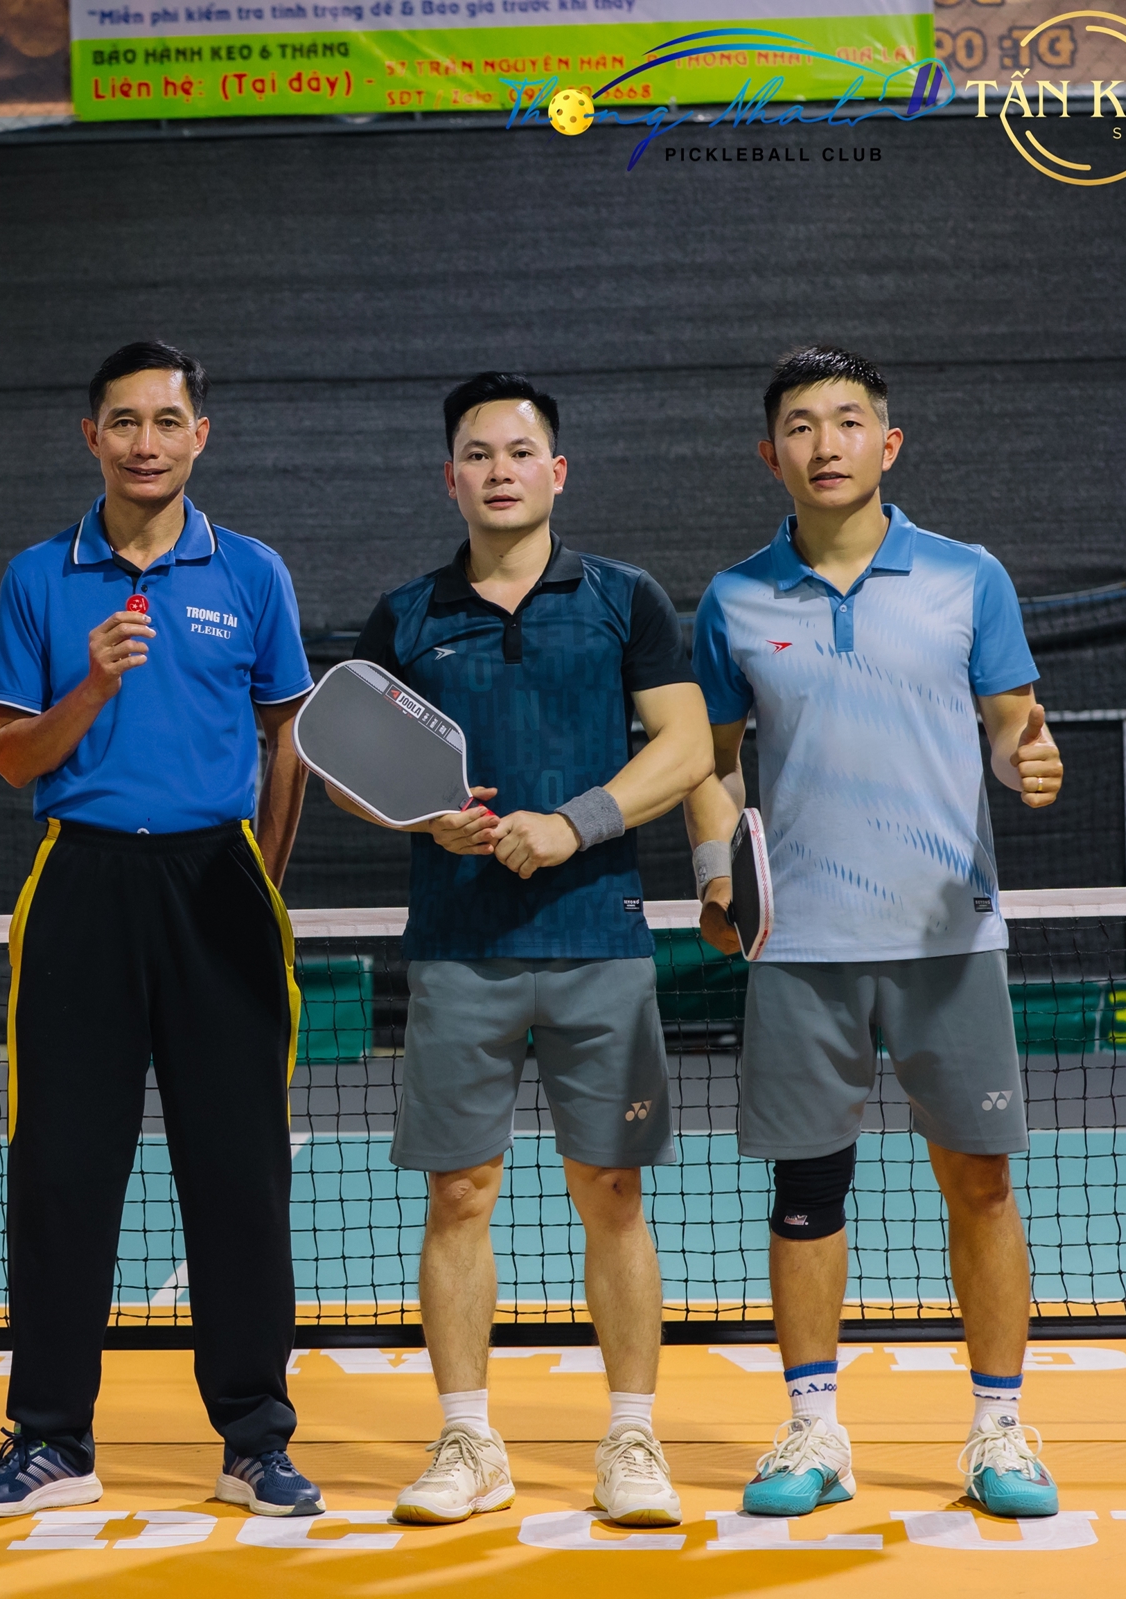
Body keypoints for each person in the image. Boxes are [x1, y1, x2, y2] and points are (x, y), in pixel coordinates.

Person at [685, 346, 1065, 1519]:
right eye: (802, 426)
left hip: (949, 934)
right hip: (800, 944)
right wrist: (716, 876)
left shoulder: (967, 576)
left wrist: (1029, 756)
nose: (827, 444)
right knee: (807, 1192)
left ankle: (1000, 1430)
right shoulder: (733, 598)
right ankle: (814, 1429)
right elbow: (713, 762)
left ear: (887, 444)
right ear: (772, 455)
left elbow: (1009, 721)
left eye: (849, 421)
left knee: (981, 1182)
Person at [0, 340, 322, 1520]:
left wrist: (260, 878)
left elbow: (290, 734)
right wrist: (95, 685)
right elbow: (16, 759)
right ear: (92, 437)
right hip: (81, 881)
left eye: (167, 421)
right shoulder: (37, 577)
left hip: (221, 885)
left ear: (199, 436)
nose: (145, 442)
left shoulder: (253, 572)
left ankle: (256, 1440)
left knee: (239, 1170)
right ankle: (51, 1439)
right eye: (124, 422)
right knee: (61, 1172)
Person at [332, 373, 709, 1529]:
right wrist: (423, 820)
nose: (499, 470)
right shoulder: (408, 615)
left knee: (613, 1192)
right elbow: (349, 768)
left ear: (557, 471)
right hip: (460, 950)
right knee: (460, 1194)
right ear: (449, 478)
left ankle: (632, 1440)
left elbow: (686, 745)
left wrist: (574, 824)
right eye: (477, 454)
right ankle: (468, 1441)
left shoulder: (624, 599)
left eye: (519, 451)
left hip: (599, 940)